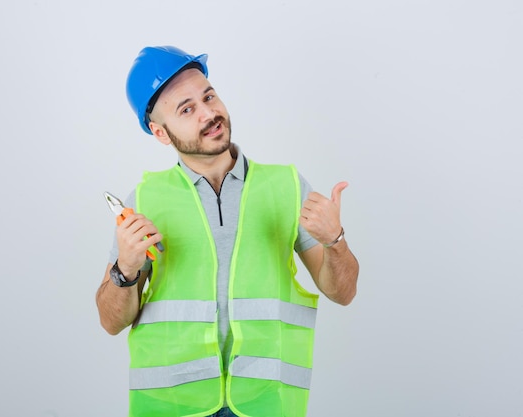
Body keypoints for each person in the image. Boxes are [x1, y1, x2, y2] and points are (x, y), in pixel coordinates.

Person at [96, 45, 359, 417]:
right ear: (160, 132)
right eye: (186, 109)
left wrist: (335, 241)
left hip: (265, 402)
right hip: (172, 405)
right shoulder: (143, 200)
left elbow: (343, 292)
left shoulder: (286, 186)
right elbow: (111, 322)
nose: (209, 113)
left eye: (209, 96)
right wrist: (125, 269)